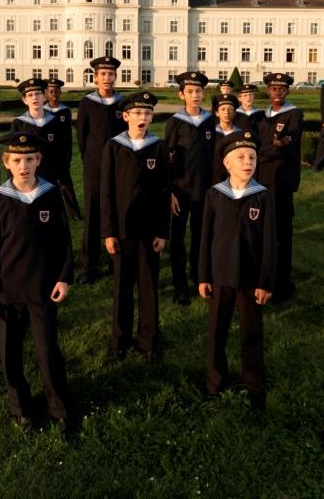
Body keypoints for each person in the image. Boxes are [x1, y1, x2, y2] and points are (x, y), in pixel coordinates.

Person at [0, 132, 74, 432]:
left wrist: (64, 277)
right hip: (7, 292)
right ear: (7, 163)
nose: (24, 166)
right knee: (11, 354)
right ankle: (21, 408)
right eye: (17, 160)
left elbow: (64, 241)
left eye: (30, 159)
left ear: (39, 161)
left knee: (48, 351)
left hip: (43, 289)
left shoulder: (50, 193)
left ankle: (59, 408)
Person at [198, 131, 275, 410]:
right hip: (220, 277)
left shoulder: (262, 197)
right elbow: (204, 238)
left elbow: (269, 244)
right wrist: (204, 276)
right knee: (217, 330)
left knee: (251, 333)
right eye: (240, 157)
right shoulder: (214, 195)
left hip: (250, 279)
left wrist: (265, 281)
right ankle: (214, 382)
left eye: (252, 157)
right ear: (227, 164)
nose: (247, 162)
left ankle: (254, 385)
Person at [100, 91, 171, 362]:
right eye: (137, 113)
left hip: (150, 231)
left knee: (148, 286)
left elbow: (165, 192)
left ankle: (149, 341)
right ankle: (120, 340)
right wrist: (108, 232)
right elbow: (106, 193)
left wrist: (163, 232)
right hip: (122, 230)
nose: (142, 118)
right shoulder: (114, 147)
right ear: (125, 116)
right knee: (122, 287)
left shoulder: (158, 147)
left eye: (147, 113)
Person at [166, 70, 215, 305]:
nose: (195, 95)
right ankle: (180, 286)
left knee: (201, 237)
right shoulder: (175, 123)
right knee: (177, 239)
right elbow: (169, 159)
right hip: (181, 191)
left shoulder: (210, 121)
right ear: (181, 95)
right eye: (190, 91)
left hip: (205, 191)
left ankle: (199, 277)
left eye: (198, 91)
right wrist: (171, 192)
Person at [77, 56, 126, 284]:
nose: (107, 78)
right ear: (95, 77)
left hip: (118, 166)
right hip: (94, 166)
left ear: (115, 77)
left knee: (116, 213)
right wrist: (90, 160)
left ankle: (115, 262)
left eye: (111, 74)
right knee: (94, 214)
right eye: (103, 74)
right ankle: (90, 266)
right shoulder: (87, 103)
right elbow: (82, 136)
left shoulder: (122, 103)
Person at [255, 72, 302, 302]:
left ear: (288, 91)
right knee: (263, 232)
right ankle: (263, 278)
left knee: (282, 233)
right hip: (262, 179)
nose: (277, 92)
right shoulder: (261, 117)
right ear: (267, 91)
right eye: (273, 89)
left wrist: (267, 150)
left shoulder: (294, 114)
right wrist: (271, 148)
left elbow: (287, 149)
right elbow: (259, 145)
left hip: (282, 180)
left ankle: (282, 283)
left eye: (282, 89)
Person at [10, 78, 72, 193]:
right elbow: (13, 155)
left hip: (51, 176)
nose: (34, 97)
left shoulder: (54, 122)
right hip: (27, 178)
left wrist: (63, 177)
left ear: (44, 96)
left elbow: (61, 152)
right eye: (30, 95)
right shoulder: (19, 123)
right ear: (24, 100)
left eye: (38, 93)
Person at [44, 77, 82, 220]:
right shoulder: (43, 111)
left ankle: (74, 213)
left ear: (60, 93)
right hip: (47, 153)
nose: (54, 94)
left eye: (57, 92)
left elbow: (67, 136)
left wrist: (68, 157)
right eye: (51, 91)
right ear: (46, 94)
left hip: (61, 153)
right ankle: (52, 212)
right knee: (48, 184)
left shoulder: (65, 111)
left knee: (66, 184)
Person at [211, 93, 242, 184]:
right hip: (214, 177)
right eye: (223, 109)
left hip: (235, 177)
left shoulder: (240, 134)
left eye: (230, 109)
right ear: (217, 113)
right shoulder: (211, 133)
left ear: (235, 113)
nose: (227, 112)